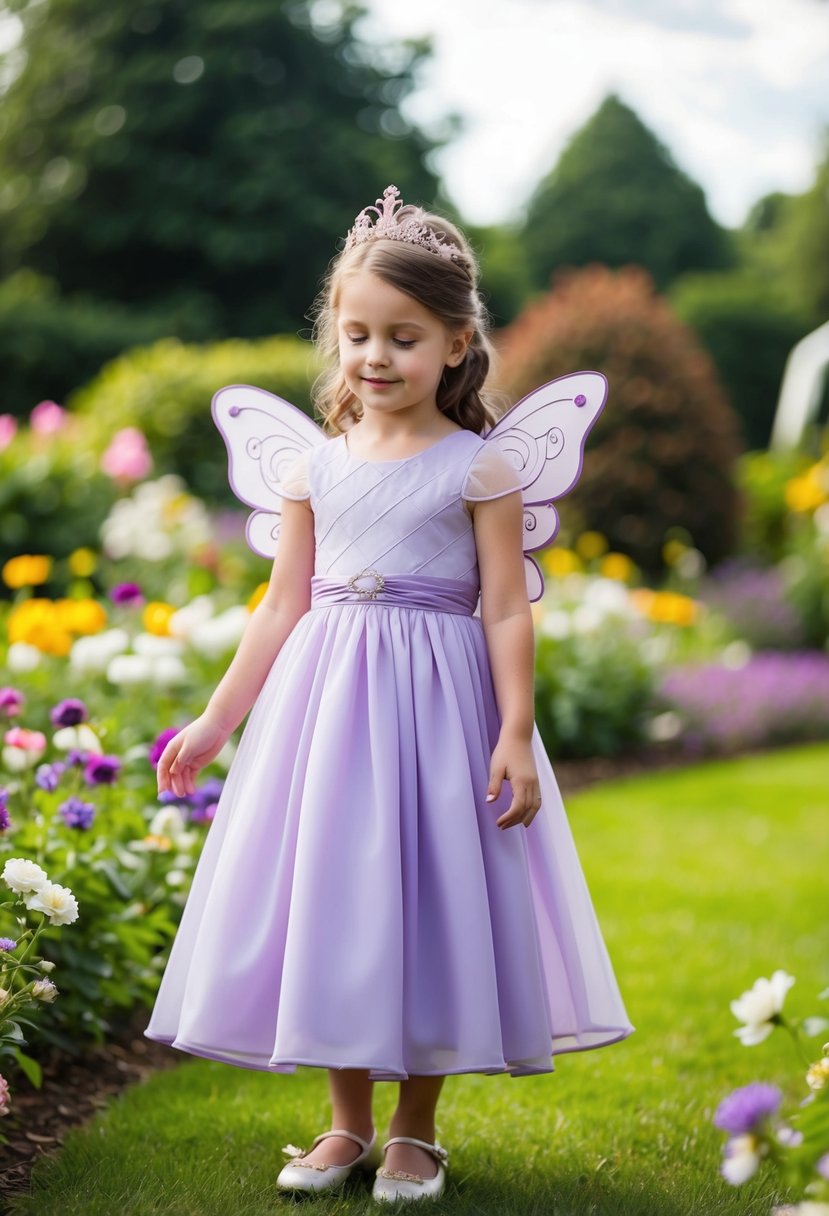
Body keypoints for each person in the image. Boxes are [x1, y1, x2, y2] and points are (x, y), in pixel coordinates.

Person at [145, 185, 633, 1204]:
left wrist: (512, 729)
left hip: (443, 710)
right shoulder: (316, 466)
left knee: (431, 902)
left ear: (456, 344)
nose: (374, 356)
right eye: (356, 333)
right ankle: (343, 1125)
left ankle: (415, 1130)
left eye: (401, 337)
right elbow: (279, 608)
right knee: (336, 899)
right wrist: (215, 718)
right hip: (328, 710)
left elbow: (505, 609)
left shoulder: (481, 467)